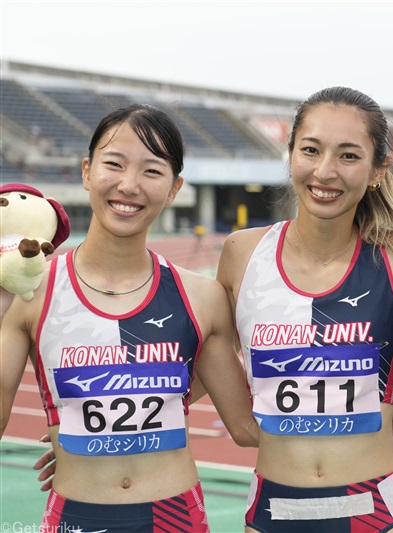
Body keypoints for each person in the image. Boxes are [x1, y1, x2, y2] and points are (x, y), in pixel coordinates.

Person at [0, 104, 259, 531]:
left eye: (152, 171)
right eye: (114, 164)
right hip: (75, 516)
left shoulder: (202, 297)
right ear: (86, 171)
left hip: (176, 517)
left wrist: (376, 435)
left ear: (174, 189)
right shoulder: (32, 292)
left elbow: (248, 428)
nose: (129, 185)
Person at [215, 86, 393, 533]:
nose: (325, 171)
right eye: (311, 150)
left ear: (378, 170)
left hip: (377, 509)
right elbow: (194, 365)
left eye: (349, 156)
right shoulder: (242, 253)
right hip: (274, 508)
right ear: (291, 153)